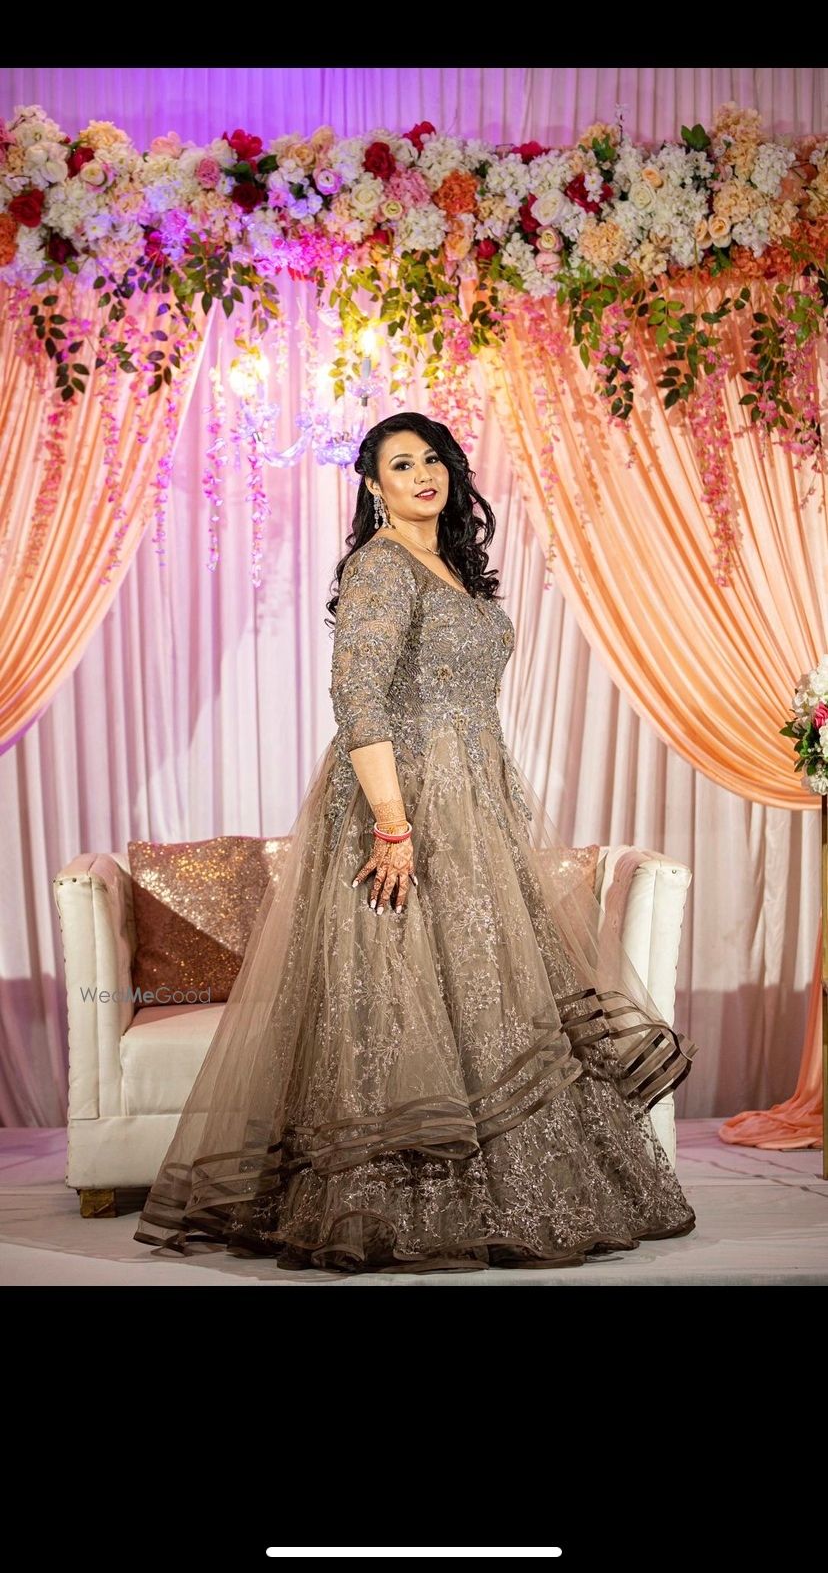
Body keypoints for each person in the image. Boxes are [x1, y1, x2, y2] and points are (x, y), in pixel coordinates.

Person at [134, 411, 697, 1271]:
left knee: (488, 998)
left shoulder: (451, 568)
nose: (423, 475)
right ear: (373, 484)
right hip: (399, 808)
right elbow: (358, 698)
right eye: (401, 464)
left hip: (473, 807)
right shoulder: (381, 565)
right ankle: (393, 1207)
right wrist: (394, 827)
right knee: (399, 1004)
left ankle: (509, 1196)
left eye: (433, 459)